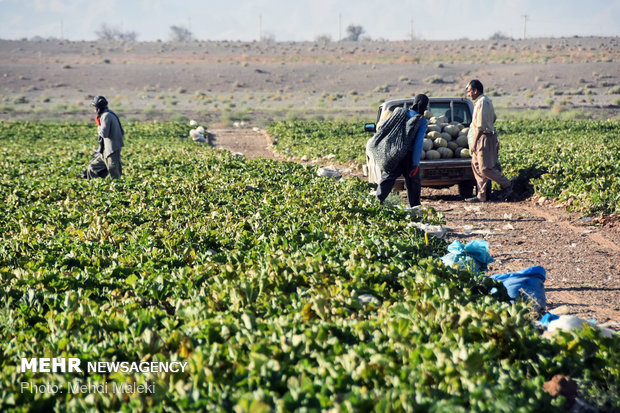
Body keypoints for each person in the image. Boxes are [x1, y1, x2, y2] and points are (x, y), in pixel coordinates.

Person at [375, 94, 429, 206]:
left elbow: (383, 126)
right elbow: (418, 144)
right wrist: (415, 164)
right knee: (413, 182)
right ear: (424, 107)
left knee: (388, 177)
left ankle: (377, 204)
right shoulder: (421, 121)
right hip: (408, 156)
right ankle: (415, 208)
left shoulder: (399, 112)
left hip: (394, 153)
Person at [465, 80, 513, 202]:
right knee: (476, 165)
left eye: (469, 91)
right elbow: (493, 118)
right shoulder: (480, 102)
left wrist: (475, 142)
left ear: (475, 91)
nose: (468, 94)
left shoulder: (483, 102)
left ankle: (507, 184)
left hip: (484, 137)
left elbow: (481, 126)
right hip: (482, 136)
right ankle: (481, 196)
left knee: (485, 168)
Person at [83, 96, 124, 179]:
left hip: (111, 152)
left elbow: (104, 134)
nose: (94, 109)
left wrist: (99, 125)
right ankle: (95, 188)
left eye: (95, 107)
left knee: (115, 176)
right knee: (91, 168)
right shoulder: (110, 113)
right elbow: (122, 132)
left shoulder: (106, 116)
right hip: (105, 152)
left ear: (98, 108)